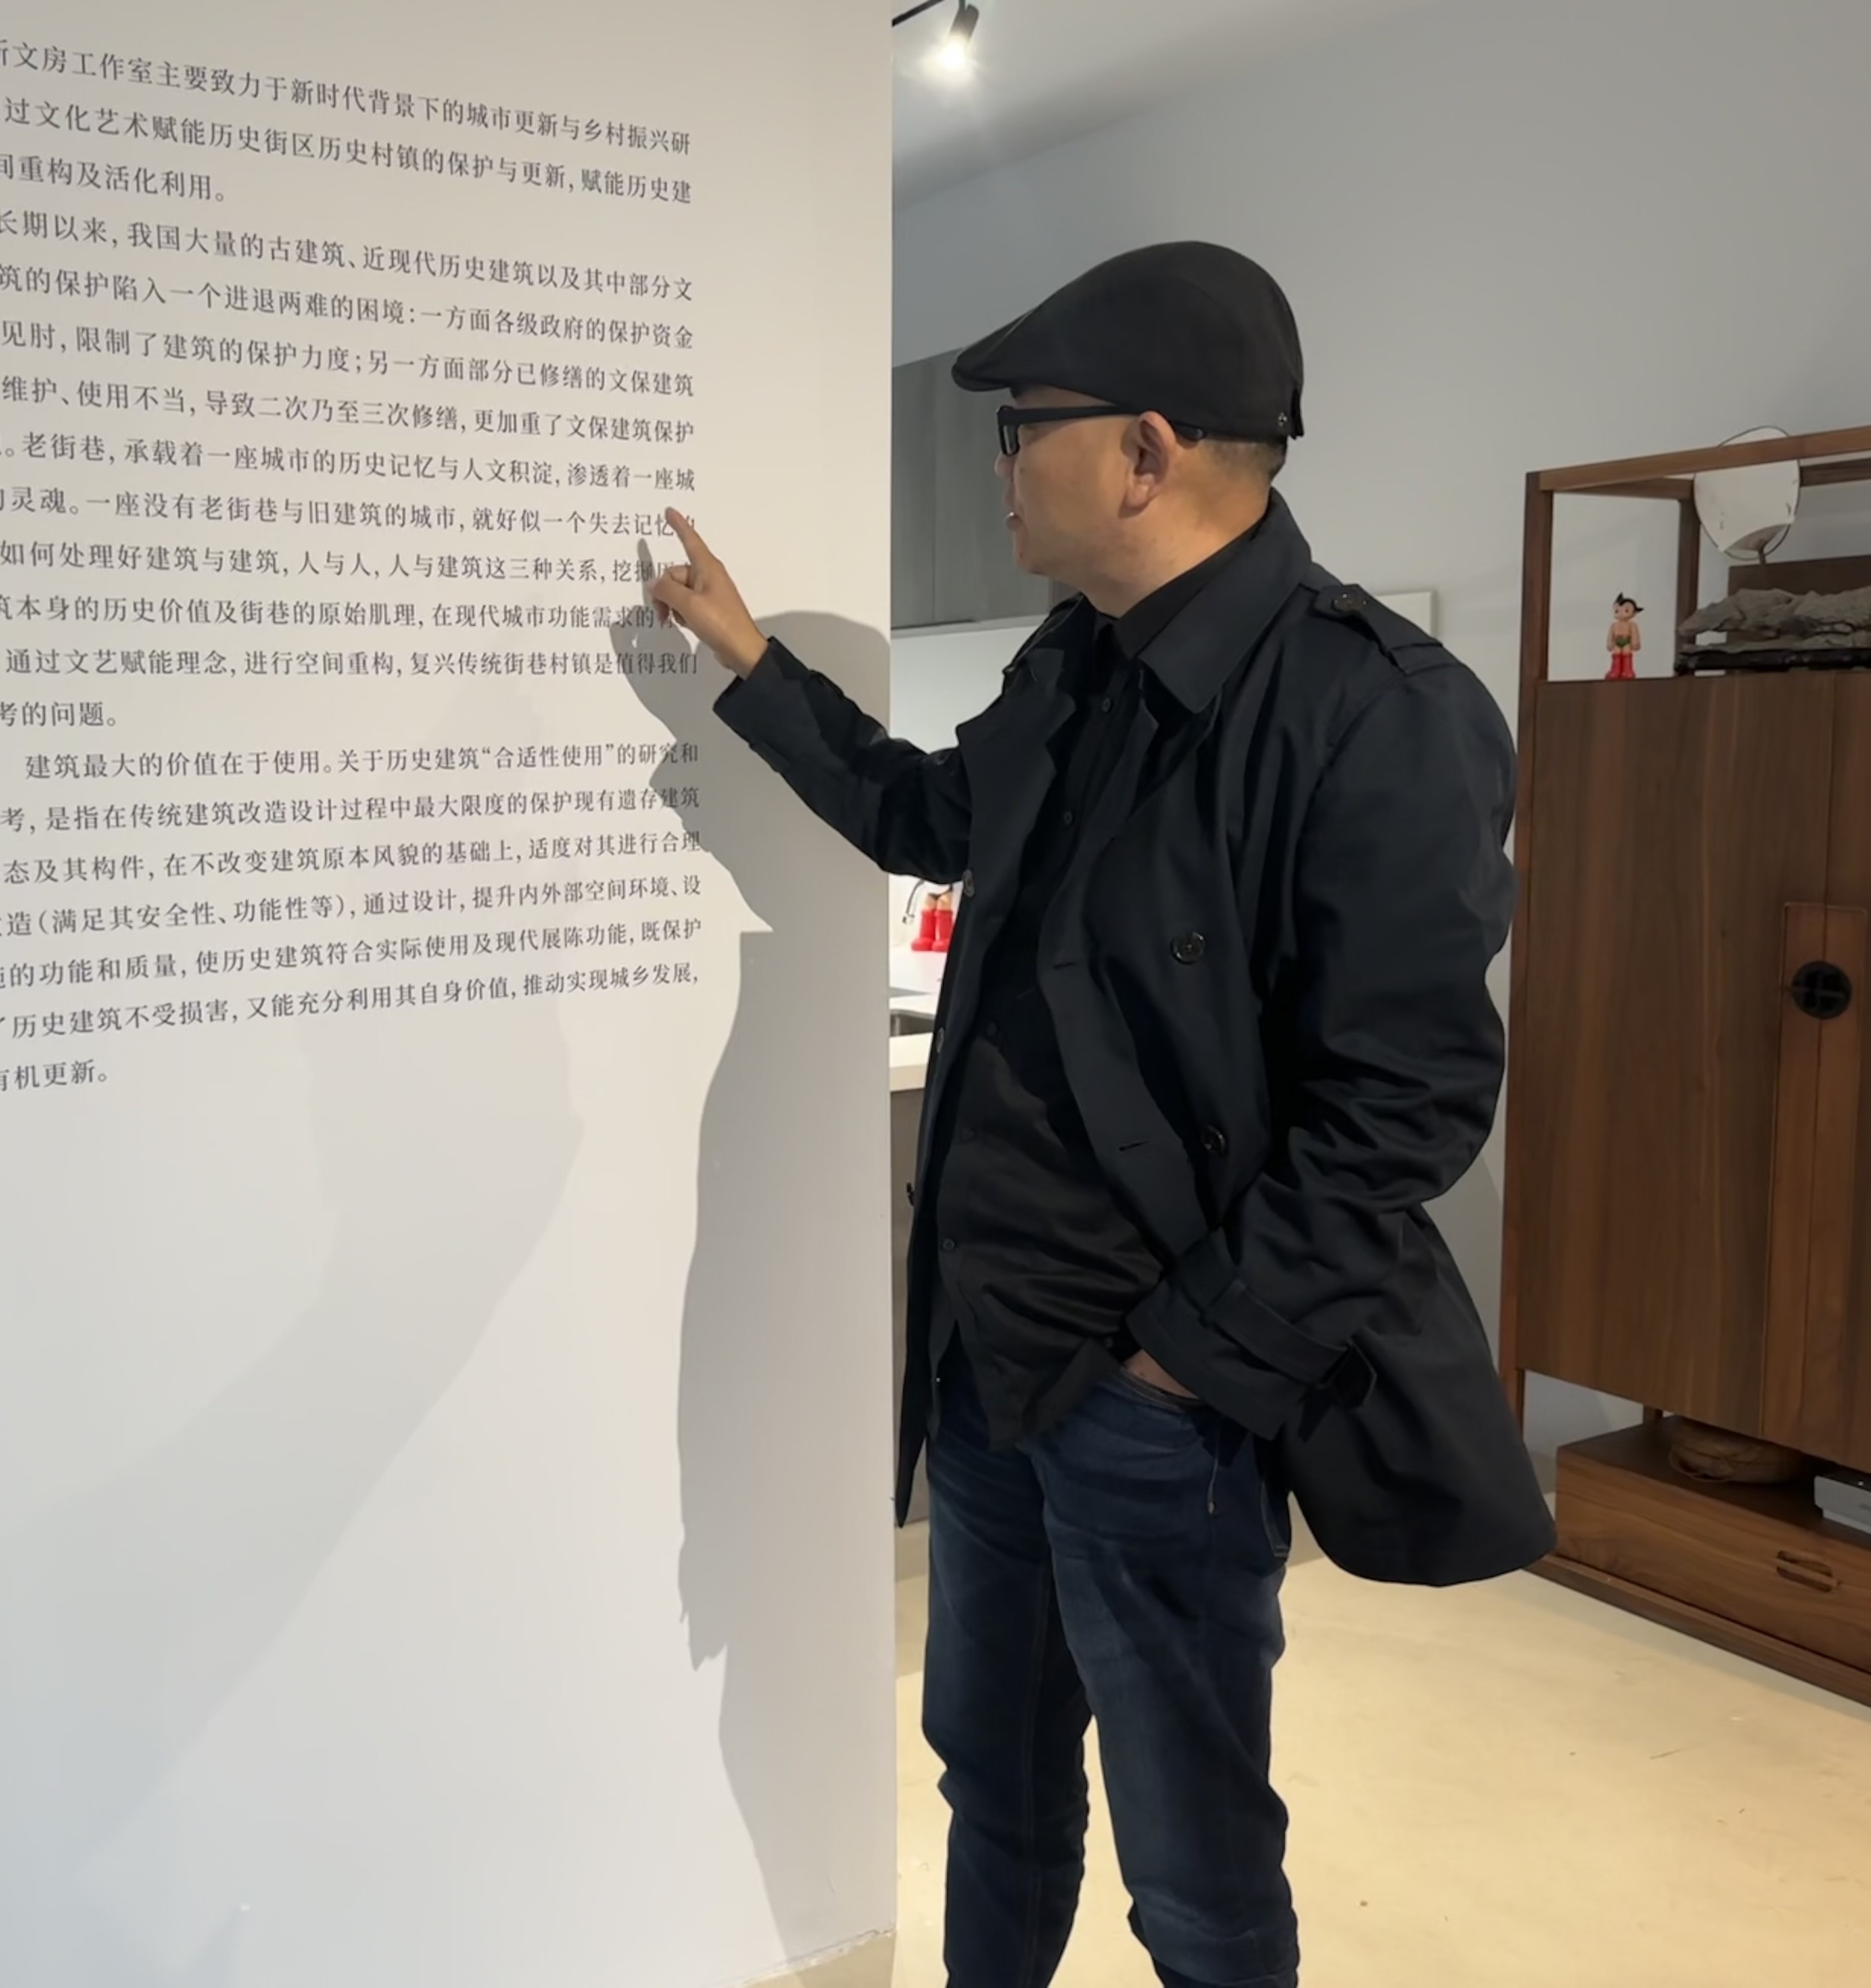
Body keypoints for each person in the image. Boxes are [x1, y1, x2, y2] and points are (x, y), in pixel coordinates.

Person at [648, 241, 1550, 1988]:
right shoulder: (1079, 663)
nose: (1002, 465)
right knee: (994, 1788)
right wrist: (753, 666)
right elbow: (930, 817)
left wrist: (1182, 1365)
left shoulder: (1375, 711)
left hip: (1160, 1396)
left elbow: (1406, 1106)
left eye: (1022, 429)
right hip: (996, 1361)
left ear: (1144, 452)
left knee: (1195, 1867)